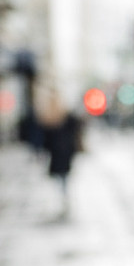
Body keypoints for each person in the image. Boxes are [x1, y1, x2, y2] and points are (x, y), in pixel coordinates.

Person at [36, 88, 81, 217]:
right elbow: (75, 128)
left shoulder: (49, 116)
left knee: (60, 176)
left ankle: (63, 195)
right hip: (65, 150)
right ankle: (64, 195)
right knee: (63, 175)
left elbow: (44, 137)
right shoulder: (63, 114)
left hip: (57, 151)